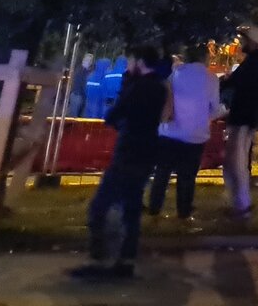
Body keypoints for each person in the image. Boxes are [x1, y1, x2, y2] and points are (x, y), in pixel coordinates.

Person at [69, 45, 167, 280]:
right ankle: (126, 261)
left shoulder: (136, 87)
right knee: (132, 208)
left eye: (133, 60)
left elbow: (113, 115)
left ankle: (98, 261)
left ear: (140, 61)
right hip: (148, 152)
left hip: (128, 151)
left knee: (101, 206)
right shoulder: (160, 88)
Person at [147, 41, 219, 221]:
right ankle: (183, 212)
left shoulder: (177, 73)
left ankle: (155, 208)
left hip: (170, 132)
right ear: (205, 57)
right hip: (195, 135)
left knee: (162, 173)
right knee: (187, 177)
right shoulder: (211, 78)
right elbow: (215, 108)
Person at [220, 27, 258, 220]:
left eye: (244, 40)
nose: (240, 43)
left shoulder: (253, 64)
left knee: (237, 162)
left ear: (253, 42)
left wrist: (225, 82)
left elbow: (235, 83)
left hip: (243, 119)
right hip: (244, 118)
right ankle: (238, 203)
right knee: (234, 161)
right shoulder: (254, 63)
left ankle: (242, 206)